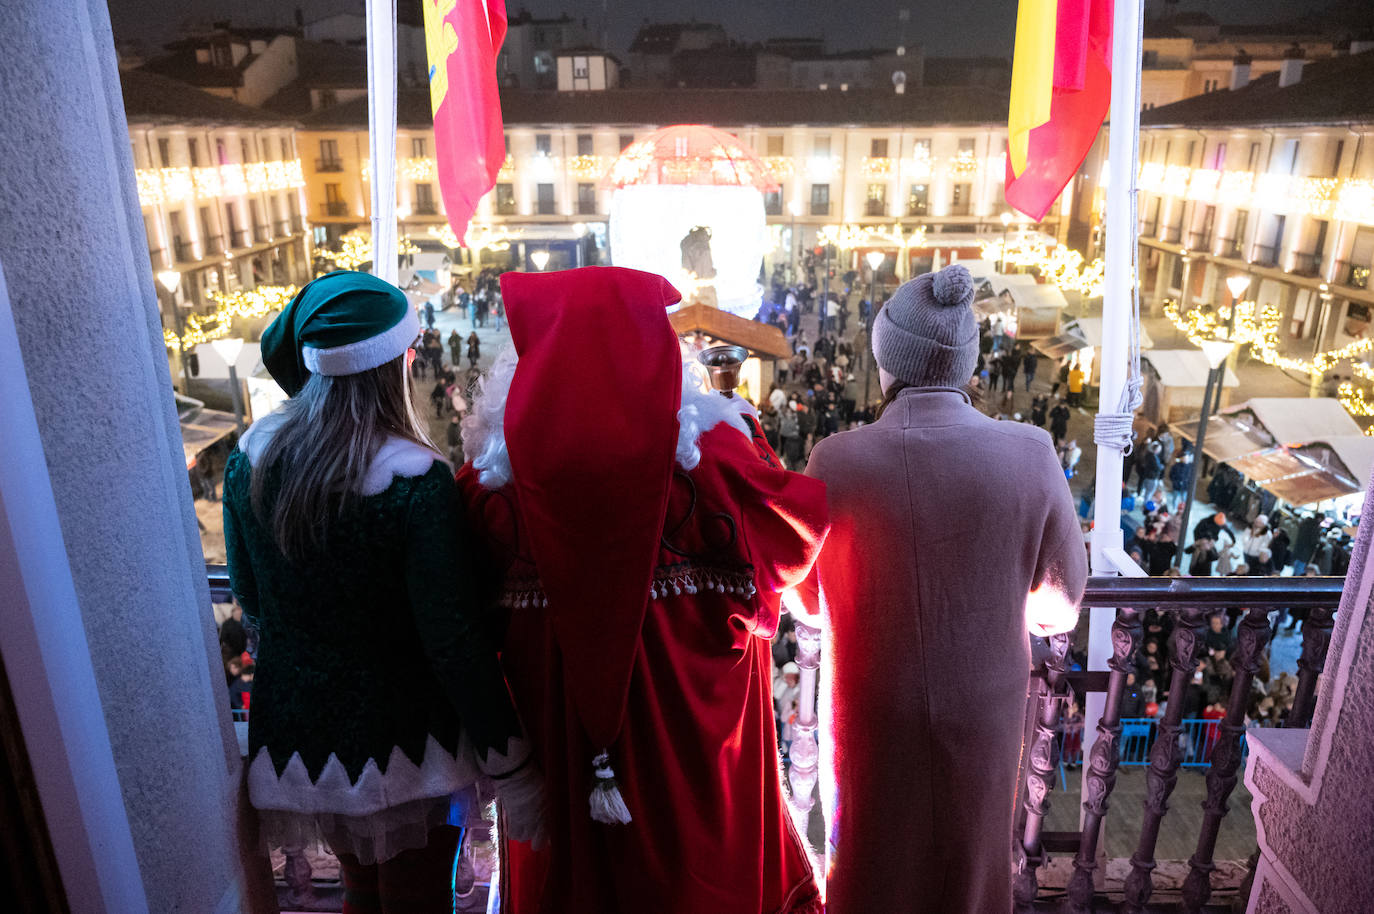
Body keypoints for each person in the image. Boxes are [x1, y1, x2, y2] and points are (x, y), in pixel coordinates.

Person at [458, 267, 828, 914]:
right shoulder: (714, 465)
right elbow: (795, 538)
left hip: (561, 769)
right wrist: (748, 430)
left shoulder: (491, 489)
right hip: (692, 773)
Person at [223, 271, 545, 914]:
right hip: (410, 745)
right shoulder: (415, 481)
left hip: (304, 737)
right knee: (416, 899)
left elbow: (250, 599)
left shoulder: (250, 460)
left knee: (361, 893)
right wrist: (511, 762)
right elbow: (453, 641)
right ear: (391, 365)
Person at [795, 264, 1087, 914]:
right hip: (984, 711)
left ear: (887, 361)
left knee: (869, 864)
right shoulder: (1032, 452)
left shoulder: (836, 460)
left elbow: (809, 600)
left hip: (870, 713)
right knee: (971, 869)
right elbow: (1061, 604)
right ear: (966, 364)